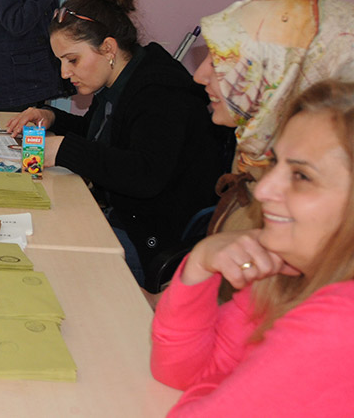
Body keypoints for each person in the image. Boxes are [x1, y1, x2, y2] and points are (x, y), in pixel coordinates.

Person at [150, 79, 354, 416]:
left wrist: (217, 389)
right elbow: (180, 372)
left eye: (302, 176)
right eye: (275, 163)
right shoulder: (285, 272)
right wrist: (201, 263)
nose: (263, 191)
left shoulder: (340, 321)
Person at [6, 0, 224, 287]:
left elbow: (144, 174)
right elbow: (101, 136)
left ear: (108, 48)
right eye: (61, 62)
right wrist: (51, 117)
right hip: (122, 218)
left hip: (149, 239)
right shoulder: (120, 79)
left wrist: (64, 149)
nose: (65, 73)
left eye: (72, 60)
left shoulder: (160, 92)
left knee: (39, 256)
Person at [192, 0, 354, 234]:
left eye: (219, 63)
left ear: (280, 75)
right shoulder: (254, 142)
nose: (199, 76)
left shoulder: (321, 201)